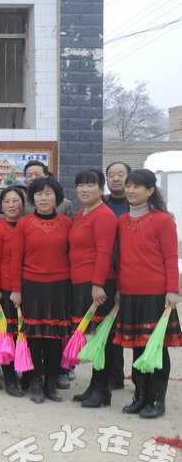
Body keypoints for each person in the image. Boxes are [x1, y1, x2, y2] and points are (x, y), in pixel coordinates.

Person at [114, 169, 180, 419]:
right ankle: (140, 396)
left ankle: (157, 400)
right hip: (129, 292)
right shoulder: (122, 221)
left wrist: (172, 290)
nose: (130, 191)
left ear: (150, 190)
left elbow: (171, 257)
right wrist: (119, 289)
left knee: (156, 347)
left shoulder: (163, 220)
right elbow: (121, 258)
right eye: (128, 186)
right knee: (136, 347)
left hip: (155, 293)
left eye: (136, 187)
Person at [10, 175, 73, 403]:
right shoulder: (24, 224)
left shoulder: (67, 224)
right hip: (32, 286)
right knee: (34, 337)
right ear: (32, 198)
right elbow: (16, 259)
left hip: (60, 287)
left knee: (55, 337)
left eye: (48, 193)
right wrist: (16, 290)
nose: (43, 198)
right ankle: (35, 381)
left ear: (57, 197)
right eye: (38, 194)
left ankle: (51, 383)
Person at [68, 169, 118, 408]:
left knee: (102, 338)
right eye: (81, 185)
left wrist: (97, 284)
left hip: (97, 284)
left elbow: (104, 252)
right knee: (94, 336)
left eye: (90, 185)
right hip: (81, 282)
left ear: (101, 188)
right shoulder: (82, 213)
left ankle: (102, 389)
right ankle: (95, 385)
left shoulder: (104, 215)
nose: (84, 190)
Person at [0, 186, 26, 398]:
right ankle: (8, 376)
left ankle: (26, 372)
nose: (11, 205)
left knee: (24, 334)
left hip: (27, 286)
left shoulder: (28, 225)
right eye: (7, 201)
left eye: (15, 201)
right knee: (5, 333)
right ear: (1, 205)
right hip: (4, 287)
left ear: (23, 204)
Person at [103, 161, 130, 389]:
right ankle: (114, 375)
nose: (116, 178)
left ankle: (144, 381)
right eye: (111, 174)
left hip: (132, 274)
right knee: (110, 327)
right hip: (108, 275)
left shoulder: (138, 205)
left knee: (136, 328)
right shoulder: (101, 204)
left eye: (120, 174)